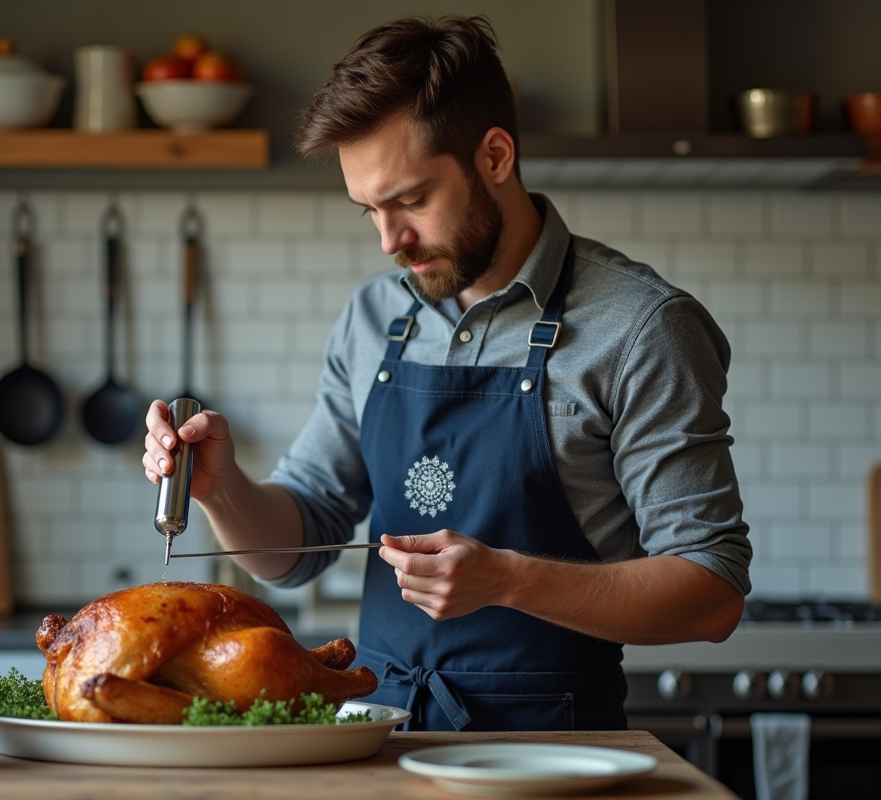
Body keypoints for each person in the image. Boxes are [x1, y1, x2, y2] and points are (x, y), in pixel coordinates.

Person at [142, 15, 751, 732]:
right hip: (376, 747)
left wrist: (507, 580)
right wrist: (223, 490)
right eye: (368, 209)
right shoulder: (373, 317)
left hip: (554, 759)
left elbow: (712, 593)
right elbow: (298, 544)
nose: (389, 241)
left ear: (494, 156)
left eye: (410, 201)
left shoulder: (642, 328)